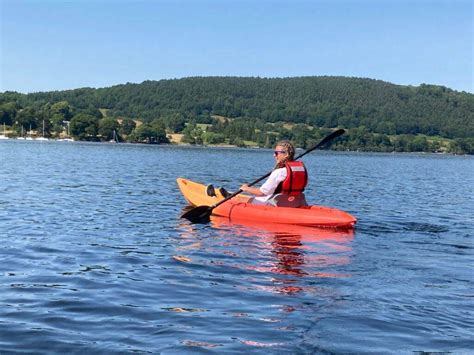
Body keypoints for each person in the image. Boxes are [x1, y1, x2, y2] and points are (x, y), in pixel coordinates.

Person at [240, 140, 308, 207]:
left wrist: (246, 188)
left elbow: (261, 193)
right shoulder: (301, 170)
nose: (274, 155)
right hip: (296, 203)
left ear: (286, 154)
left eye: (276, 153)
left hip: (278, 203)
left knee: (251, 200)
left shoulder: (279, 172)